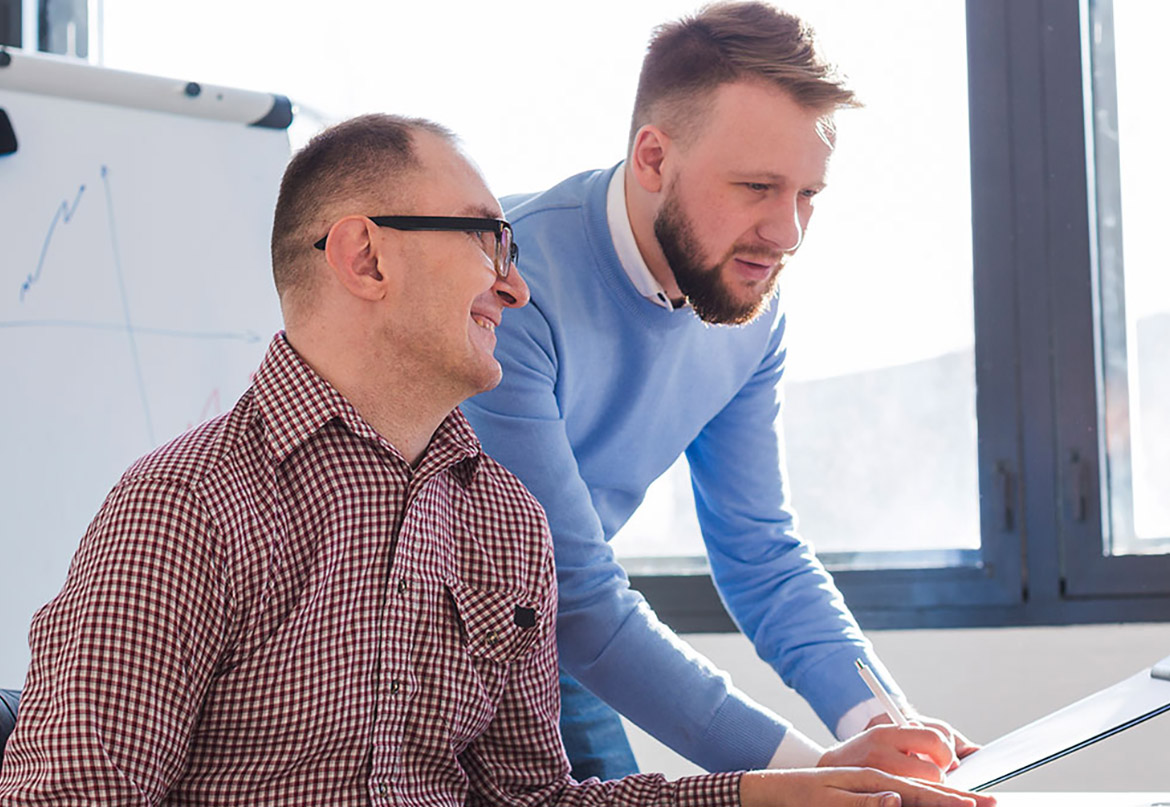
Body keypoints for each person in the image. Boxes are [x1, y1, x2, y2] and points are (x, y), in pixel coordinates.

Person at [0, 114, 991, 807]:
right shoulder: (183, 510)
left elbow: (536, 799)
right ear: (365, 258)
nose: (516, 290)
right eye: (487, 244)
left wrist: (787, 793)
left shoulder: (505, 525)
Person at [461, 1, 977, 783]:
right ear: (652, 158)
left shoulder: (749, 310)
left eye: (807, 194)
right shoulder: (508, 285)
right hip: (422, 646)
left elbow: (760, 552)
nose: (788, 232)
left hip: (556, 636)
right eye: (757, 186)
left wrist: (888, 728)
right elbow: (580, 597)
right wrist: (812, 775)